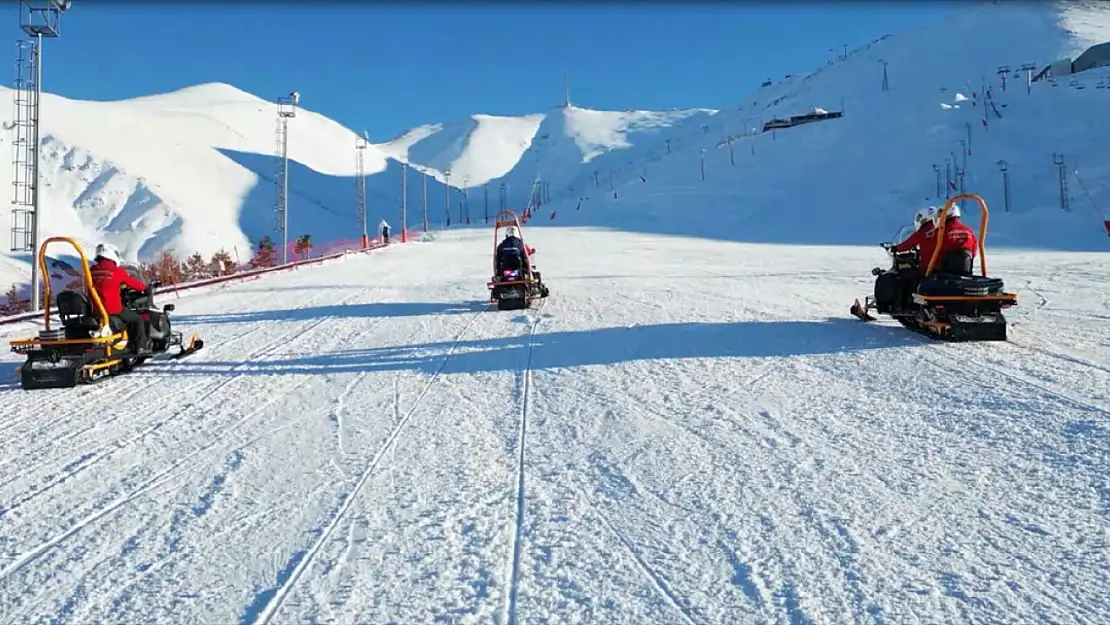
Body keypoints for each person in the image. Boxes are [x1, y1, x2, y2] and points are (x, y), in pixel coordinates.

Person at [90, 242, 150, 354]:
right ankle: (139, 347)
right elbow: (135, 284)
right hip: (113, 309)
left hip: (96, 309)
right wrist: (144, 287)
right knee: (137, 320)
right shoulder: (117, 271)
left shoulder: (91, 270)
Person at [929, 204, 977, 274]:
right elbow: (974, 251)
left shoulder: (941, 230)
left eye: (941, 214)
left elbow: (934, 249)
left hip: (947, 269)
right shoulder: (969, 231)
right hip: (966, 267)